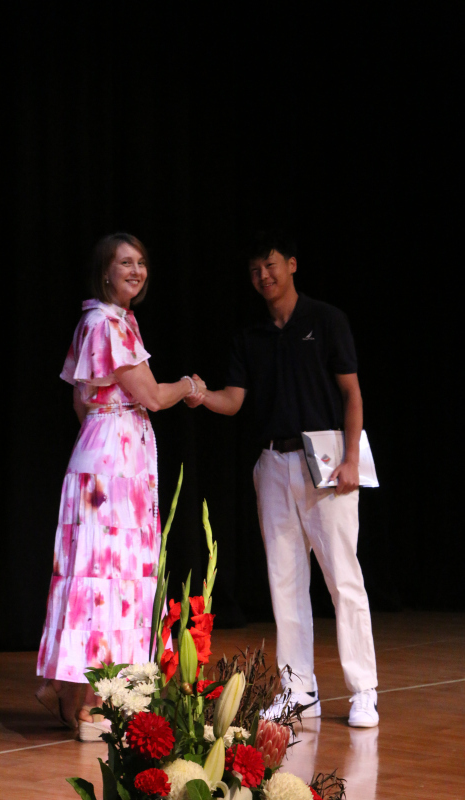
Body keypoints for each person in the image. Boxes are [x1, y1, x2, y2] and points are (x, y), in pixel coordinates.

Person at [187, 231, 379, 728]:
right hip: (273, 462)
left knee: (343, 577)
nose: (263, 276)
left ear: (292, 264)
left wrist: (351, 458)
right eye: (255, 270)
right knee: (285, 581)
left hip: (326, 456)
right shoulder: (250, 335)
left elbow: (352, 393)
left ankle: (363, 690)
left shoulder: (326, 320)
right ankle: (299, 690)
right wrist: (201, 395)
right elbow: (234, 400)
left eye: (270, 265)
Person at [36, 232, 205, 741]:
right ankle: (92, 705)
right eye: (125, 262)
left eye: (141, 262)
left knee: (95, 573)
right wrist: (190, 387)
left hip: (104, 452)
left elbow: (81, 400)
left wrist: (106, 428)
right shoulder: (107, 323)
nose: (136, 270)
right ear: (105, 273)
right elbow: (150, 395)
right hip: (112, 464)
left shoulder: (107, 320)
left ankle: (70, 693)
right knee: (106, 576)